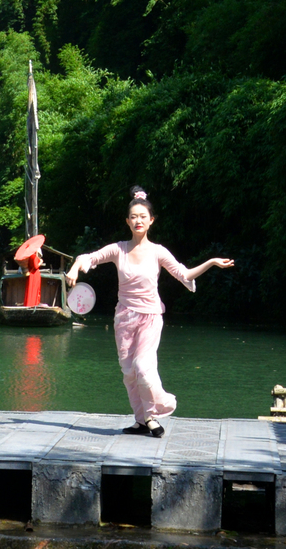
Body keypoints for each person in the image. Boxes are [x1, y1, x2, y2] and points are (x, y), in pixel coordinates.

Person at [65, 186, 233, 437]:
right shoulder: (118, 249)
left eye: (143, 216)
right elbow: (87, 257)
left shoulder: (158, 252)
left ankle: (158, 407)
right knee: (129, 372)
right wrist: (75, 269)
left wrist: (210, 262)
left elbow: (183, 274)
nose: (138, 221)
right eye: (133, 217)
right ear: (127, 221)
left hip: (150, 317)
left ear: (151, 220)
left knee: (143, 366)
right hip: (124, 318)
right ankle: (142, 420)